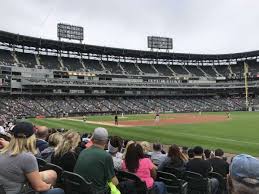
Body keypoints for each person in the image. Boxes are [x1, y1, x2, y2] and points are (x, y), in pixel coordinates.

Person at [0, 122, 64, 194]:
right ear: (31, 137)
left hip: (6, 188)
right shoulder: (27, 157)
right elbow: (39, 187)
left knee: (51, 174)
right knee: (59, 191)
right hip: (18, 191)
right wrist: (50, 187)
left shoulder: (4, 150)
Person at [74, 127, 118, 193]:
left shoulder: (83, 151)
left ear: (93, 139)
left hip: (79, 189)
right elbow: (115, 182)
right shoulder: (106, 156)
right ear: (106, 141)